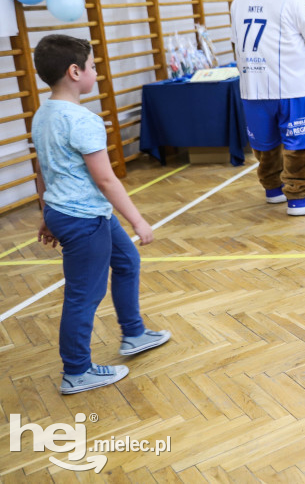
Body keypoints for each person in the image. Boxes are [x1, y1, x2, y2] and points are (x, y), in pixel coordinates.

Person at [31, 35, 171, 394]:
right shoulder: (83, 121)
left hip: (72, 211)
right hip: (83, 219)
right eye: (93, 66)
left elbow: (44, 170)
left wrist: (47, 213)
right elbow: (106, 180)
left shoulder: (42, 114)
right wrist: (138, 220)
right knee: (83, 296)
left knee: (126, 261)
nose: (96, 72)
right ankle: (76, 371)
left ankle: (134, 334)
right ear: (75, 72)